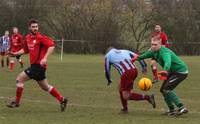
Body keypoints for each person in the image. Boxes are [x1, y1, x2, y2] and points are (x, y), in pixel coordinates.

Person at [7, 19, 68, 112]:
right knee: (46, 87)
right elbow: (25, 50)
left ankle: (17, 102)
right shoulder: (27, 37)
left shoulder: (41, 37)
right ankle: (62, 99)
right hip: (36, 67)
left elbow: (51, 46)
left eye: (36, 27)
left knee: (19, 79)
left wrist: (45, 58)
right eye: (33, 27)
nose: (35, 28)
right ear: (29, 28)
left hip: (38, 66)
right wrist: (15, 54)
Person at [137, 36, 188, 116]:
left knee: (167, 89)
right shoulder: (154, 51)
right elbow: (145, 55)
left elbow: (168, 61)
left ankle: (182, 107)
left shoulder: (164, 52)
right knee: (163, 90)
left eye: (155, 44)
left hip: (180, 72)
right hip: (173, 72)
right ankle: (172, 110)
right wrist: (135, 58)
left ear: (160, 44)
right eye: (152, 44)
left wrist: (165, 70)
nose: (153, 46)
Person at [104, 47, 156, 113]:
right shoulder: (124, 50)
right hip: (134, 70)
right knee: (120, 88)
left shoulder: (108, 56)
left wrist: (109, 80)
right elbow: (138, 56)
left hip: (126, 73)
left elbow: (107, 70)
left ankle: (148, 97)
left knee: (126, 95)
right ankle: (125, 109)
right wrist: (144, 66)